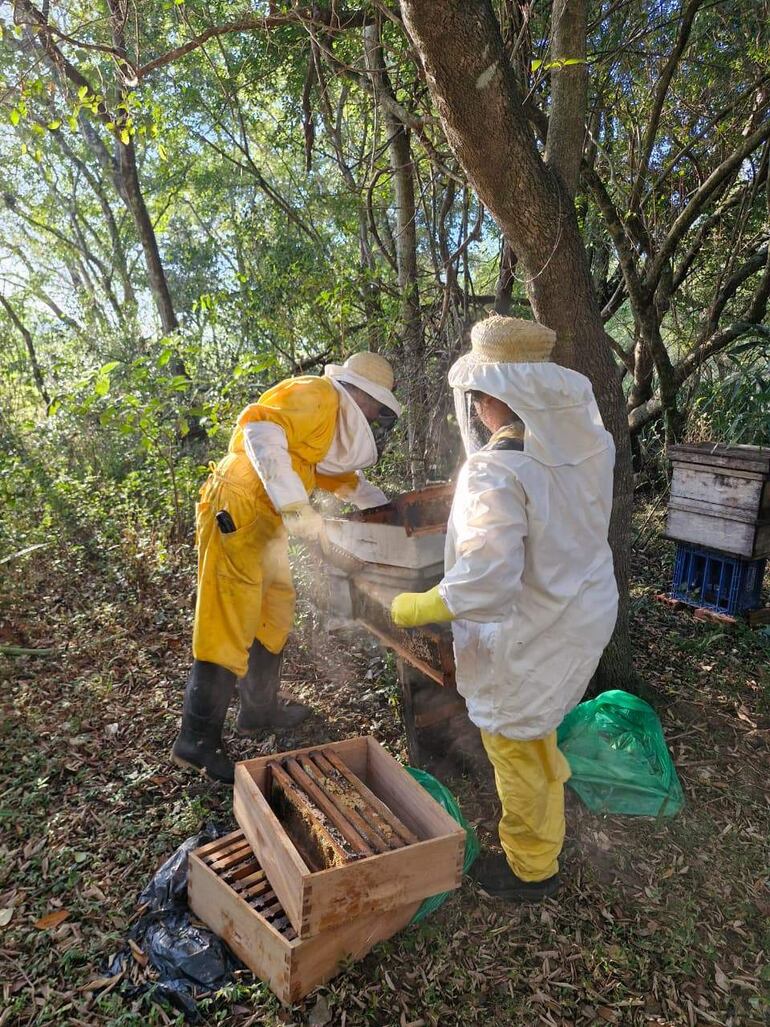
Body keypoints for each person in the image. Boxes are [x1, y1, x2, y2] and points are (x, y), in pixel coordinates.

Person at [390, 315, 618, 902]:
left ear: (493, 397)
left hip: (532, 627)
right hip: (581, 610)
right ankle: (548, 805)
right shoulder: (587, 444)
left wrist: (422, 605)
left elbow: (488, 583)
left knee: (512, 742)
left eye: (478, 396)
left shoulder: (496, 470)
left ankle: (531, 868)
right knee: (537, 726)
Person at [173, 352, 400, 784]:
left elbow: (346, 482)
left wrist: (387, 508)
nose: (375, 416)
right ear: (361, 395)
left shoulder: (327, 428)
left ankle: (258, 712)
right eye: (376, 406)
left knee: (275, 610)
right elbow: (259, 429)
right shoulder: (316, 394)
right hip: (236, 506)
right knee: (230, 618)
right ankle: (196, 740)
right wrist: (298, 508)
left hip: (266, 521)